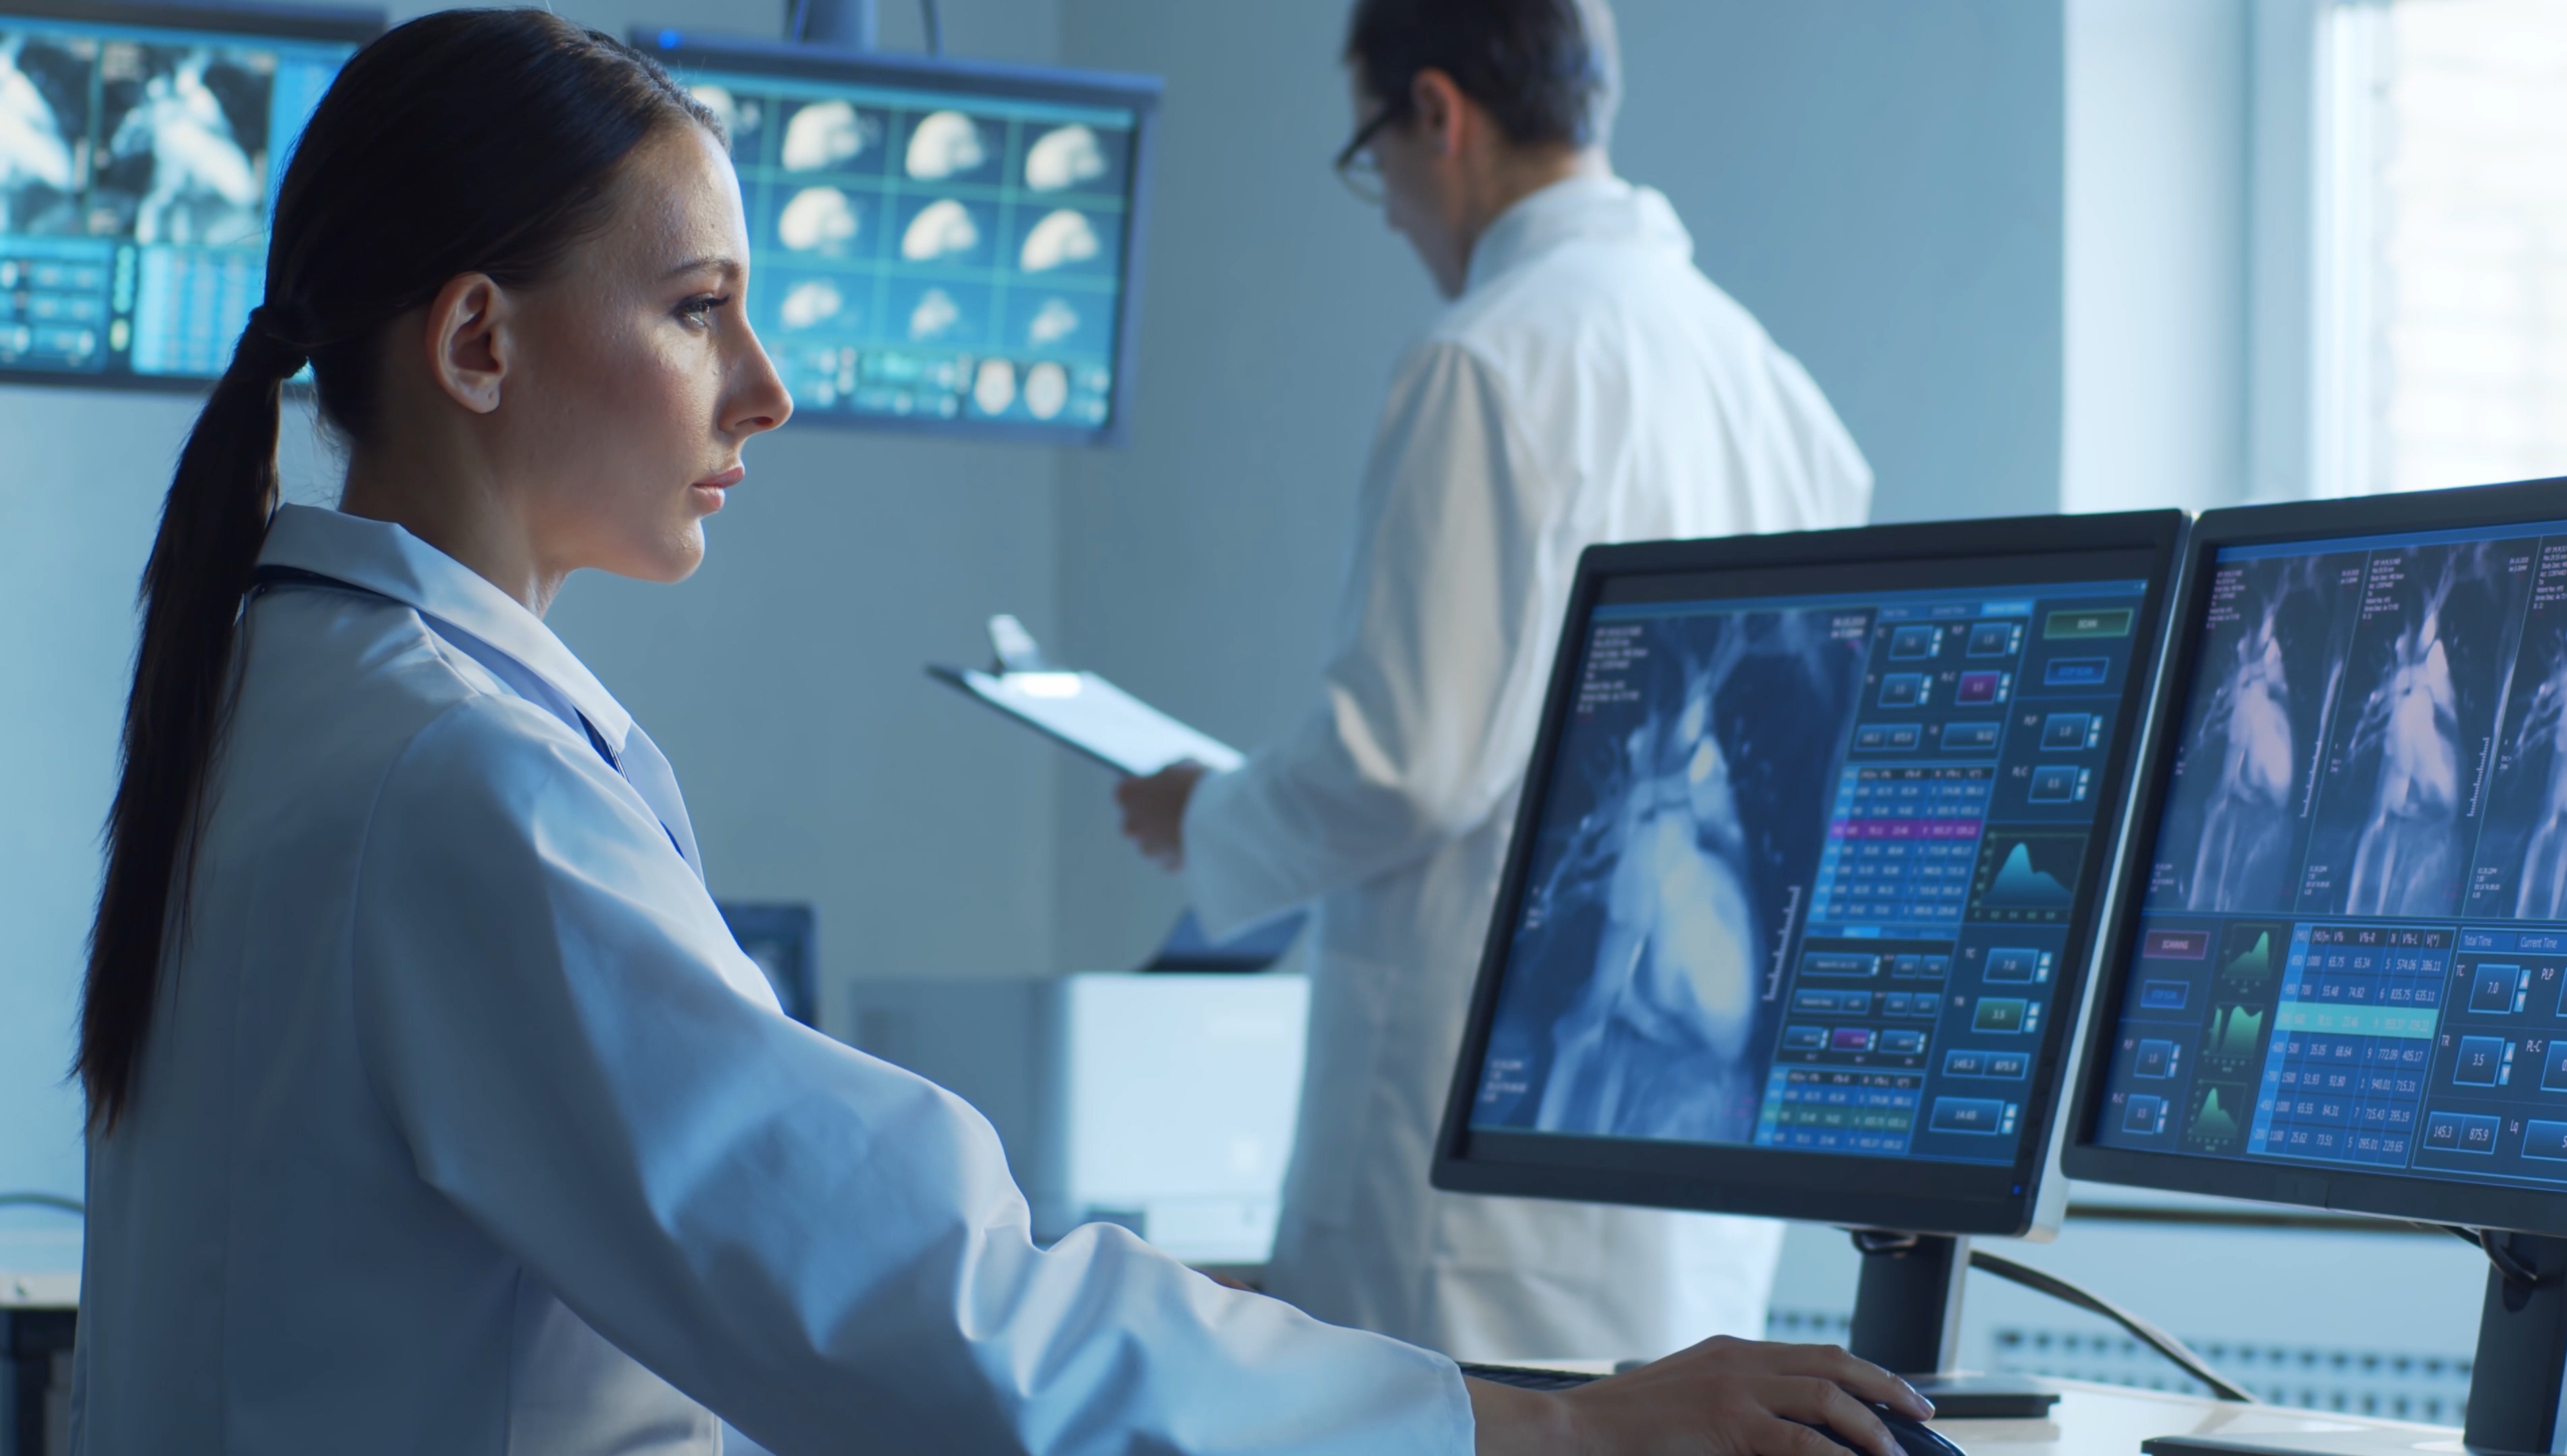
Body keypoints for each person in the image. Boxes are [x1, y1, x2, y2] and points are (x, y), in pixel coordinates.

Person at [67, 11, 1933, 1455]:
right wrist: (1541, 1424)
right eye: (701, 311)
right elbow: (914, 1296)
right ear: (477, 346)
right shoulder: (457, 782)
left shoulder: (293, 701)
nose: (770, 393)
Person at [1116, 0, 1875, 1363]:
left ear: (1436, 114)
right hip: (1692, 1165)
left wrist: (1205, 815)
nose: (1395, 209)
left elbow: (1405, 764)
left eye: (1376, 155)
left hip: (1480, 1195)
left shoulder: (1489, 358)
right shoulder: (1774, 389)